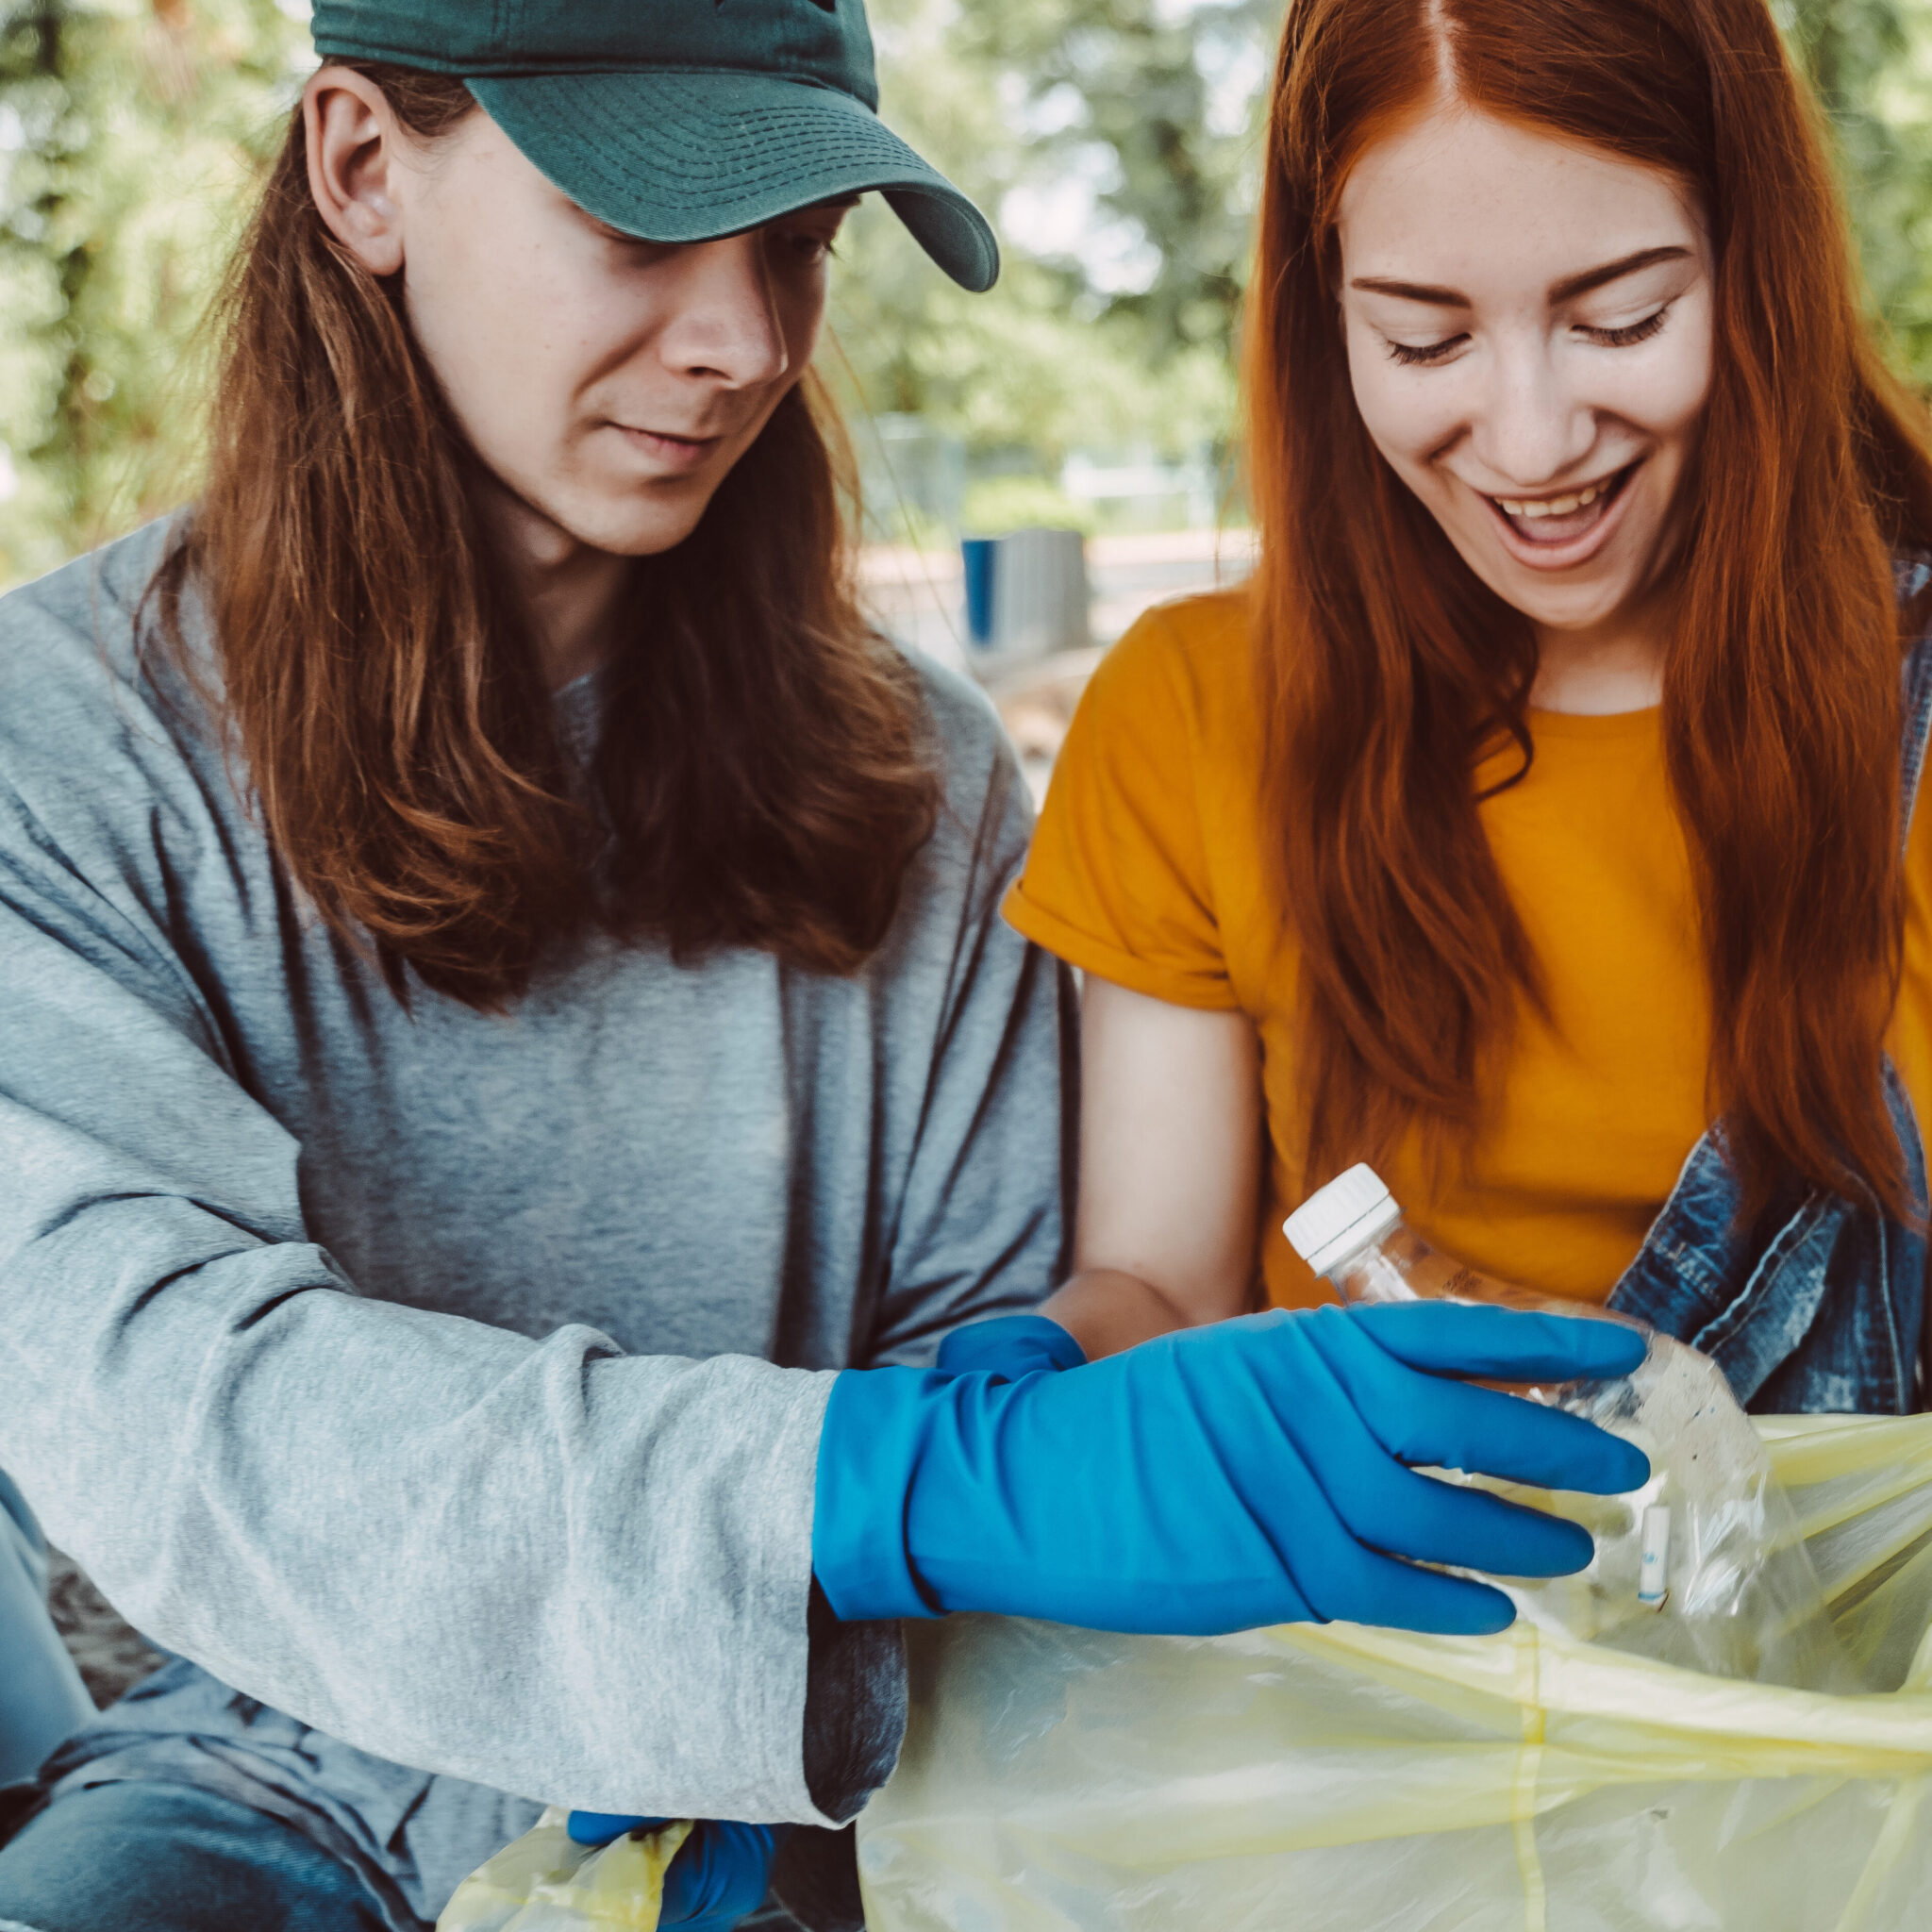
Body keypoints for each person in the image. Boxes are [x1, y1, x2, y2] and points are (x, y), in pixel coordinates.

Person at [0, 2, 1649, 1928]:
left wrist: (1016, 1409)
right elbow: (172, 1400)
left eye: (796, 250)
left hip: (805, 1775)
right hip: (259, 1762)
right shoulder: (62, 753)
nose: (746, 346)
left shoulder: (918, 784)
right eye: (641, 234)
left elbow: (1007, 1336)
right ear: (363, 167)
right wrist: (879, 1480)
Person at [1007, 0, 1932, 1414]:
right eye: (1427, 343)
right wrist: (1054, 1370)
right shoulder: (1188, 715)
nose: (1532, 441)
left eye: (1622, 318)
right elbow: (1166, 1289)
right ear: (1328, 327)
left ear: (1761, 269)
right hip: (1382, 1619)